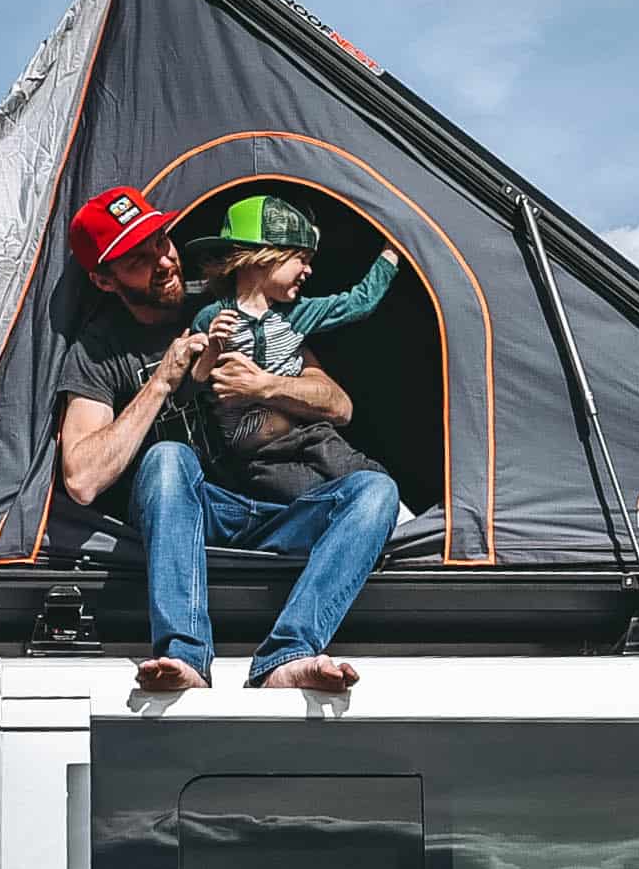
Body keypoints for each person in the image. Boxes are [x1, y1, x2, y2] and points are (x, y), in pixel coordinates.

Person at [53, 185, 398, 694]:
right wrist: (163, 382)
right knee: (168, 456)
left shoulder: (230, 302)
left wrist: (266, 385)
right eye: (137, 259)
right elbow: (81, 480)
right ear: (104, 280)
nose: (163, 262)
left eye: (161, 241)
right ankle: (184, 653)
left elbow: (337, 403)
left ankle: (289, 653)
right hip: (197, 518)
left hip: (283, 509)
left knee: (375, 491)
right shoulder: (99, 352)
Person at [187, 192, 402, 502]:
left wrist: (394, 248)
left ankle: (397, 522)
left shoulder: (299, 313)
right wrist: (212, 350)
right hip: (255, 451)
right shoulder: (211, 317)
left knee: (367, 475)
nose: (309, 271)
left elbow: (360, 302)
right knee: (307, 493)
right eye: (301, 259)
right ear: (261, 258)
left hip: (306, 434)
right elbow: (191, 387)